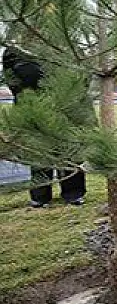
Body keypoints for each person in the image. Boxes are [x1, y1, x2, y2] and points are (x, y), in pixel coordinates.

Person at [2, 46, 90, 208]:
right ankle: (40, 195)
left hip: (66, 109)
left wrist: (69, 97)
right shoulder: (15, 51)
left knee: (69, 151)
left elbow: (83, 77)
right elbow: (13, 82)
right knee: (39, 154)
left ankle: (73, 193)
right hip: (34, 107)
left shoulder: (65, 45)